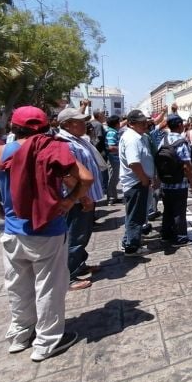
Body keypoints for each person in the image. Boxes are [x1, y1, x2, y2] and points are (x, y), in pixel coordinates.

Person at [0, 106, 92, 362]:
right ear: (45, 126)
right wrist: (69, 201)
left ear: (14, 127)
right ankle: (47, 342)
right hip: (48, 231)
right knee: (49, 287)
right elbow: (86, 178)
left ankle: (20, 336)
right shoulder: (53, 148)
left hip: (13, 232)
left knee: (17, 286)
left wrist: (0, 210)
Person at [56, 108, 105, 291]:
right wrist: (83, 197)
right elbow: (67, 175)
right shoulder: (64, 143)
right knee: (75, 236)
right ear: (67, 124)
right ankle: (68, 276)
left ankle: (79, 264)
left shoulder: (76, 140)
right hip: (77, 200)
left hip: (85, 197)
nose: (84, 124)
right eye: (79, 121)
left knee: (82, 235)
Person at [158, 114, 192, 247]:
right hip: (179, 184)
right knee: (179, 211)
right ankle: (181, 238)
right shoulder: (181, 142)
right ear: (180, 125)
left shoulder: (163, 140)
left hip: (165, 183)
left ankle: (165, 235)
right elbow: (187, 166)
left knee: (167, 210)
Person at [119, 109, 154, 256]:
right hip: (136, 183)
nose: (145, 125)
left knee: (134, 214)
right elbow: (134, 163)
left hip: (138, 182)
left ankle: (128, 240)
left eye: (145, 122)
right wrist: (144, 178)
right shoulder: (132, 139)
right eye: (141, 123)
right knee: (135, 216)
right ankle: (132, 246)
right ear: (131, 124)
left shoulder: (139, 136)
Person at [105, 115, 121, 206]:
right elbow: (111, 147)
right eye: (119, 122)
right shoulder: (112, 133)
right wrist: (122, 148)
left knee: (115, 178)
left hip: (115, 159)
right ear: (116, 124)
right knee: (112, 178)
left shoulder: (113, 131)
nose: (120, 124)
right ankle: (111, 198)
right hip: (113, 159)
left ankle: (114, 197)